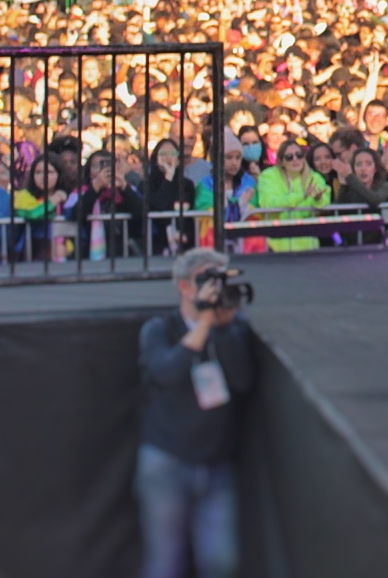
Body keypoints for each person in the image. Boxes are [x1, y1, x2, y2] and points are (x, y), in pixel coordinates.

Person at [136, 247, 257, 578]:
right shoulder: (159, 329)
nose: (214, 289)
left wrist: (222, 326)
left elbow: (244, 380)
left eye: (219, 280)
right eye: (206, 280)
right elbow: (165, 372)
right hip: (167, 461)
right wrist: (203, 323)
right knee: (164, 564)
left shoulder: (232, 329)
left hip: (216, 466)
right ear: (184, 287)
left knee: (221, 562)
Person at [255, 141, 331, 253]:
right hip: (276, 245)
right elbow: (269, 203)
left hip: (308, 245)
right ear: (281, 161)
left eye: (299, 155)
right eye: (289, 157)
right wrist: (302, 196)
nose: (295, 159)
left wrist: (318, 199)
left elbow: (326, 199)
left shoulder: (313, 177)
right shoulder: (268, 176)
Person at [145, 139, 198, 255]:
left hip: (183, 243)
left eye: (173, 154)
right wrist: (168, 178)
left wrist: (185, 235)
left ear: (179, 160)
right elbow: (157, 207)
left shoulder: (187, 185)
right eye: (163, 154)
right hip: (156, 244)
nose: (168, 158)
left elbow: (190, 214)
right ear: (155, 159)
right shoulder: (146, 184)